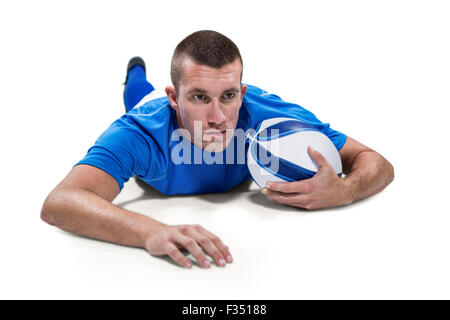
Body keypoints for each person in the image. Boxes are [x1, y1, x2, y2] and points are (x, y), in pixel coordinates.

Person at [40, 30, 394, 269]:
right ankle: (135, 71)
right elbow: (61, 202)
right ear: (175, 98)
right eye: (198, 97)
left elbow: (375, 161)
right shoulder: (139, 133)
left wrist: (346, 189)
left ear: (241, 91)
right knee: (135, 92)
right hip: (144, 104)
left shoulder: (268, 115)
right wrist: (149, 231)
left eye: (229, 96)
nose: (218, 117)